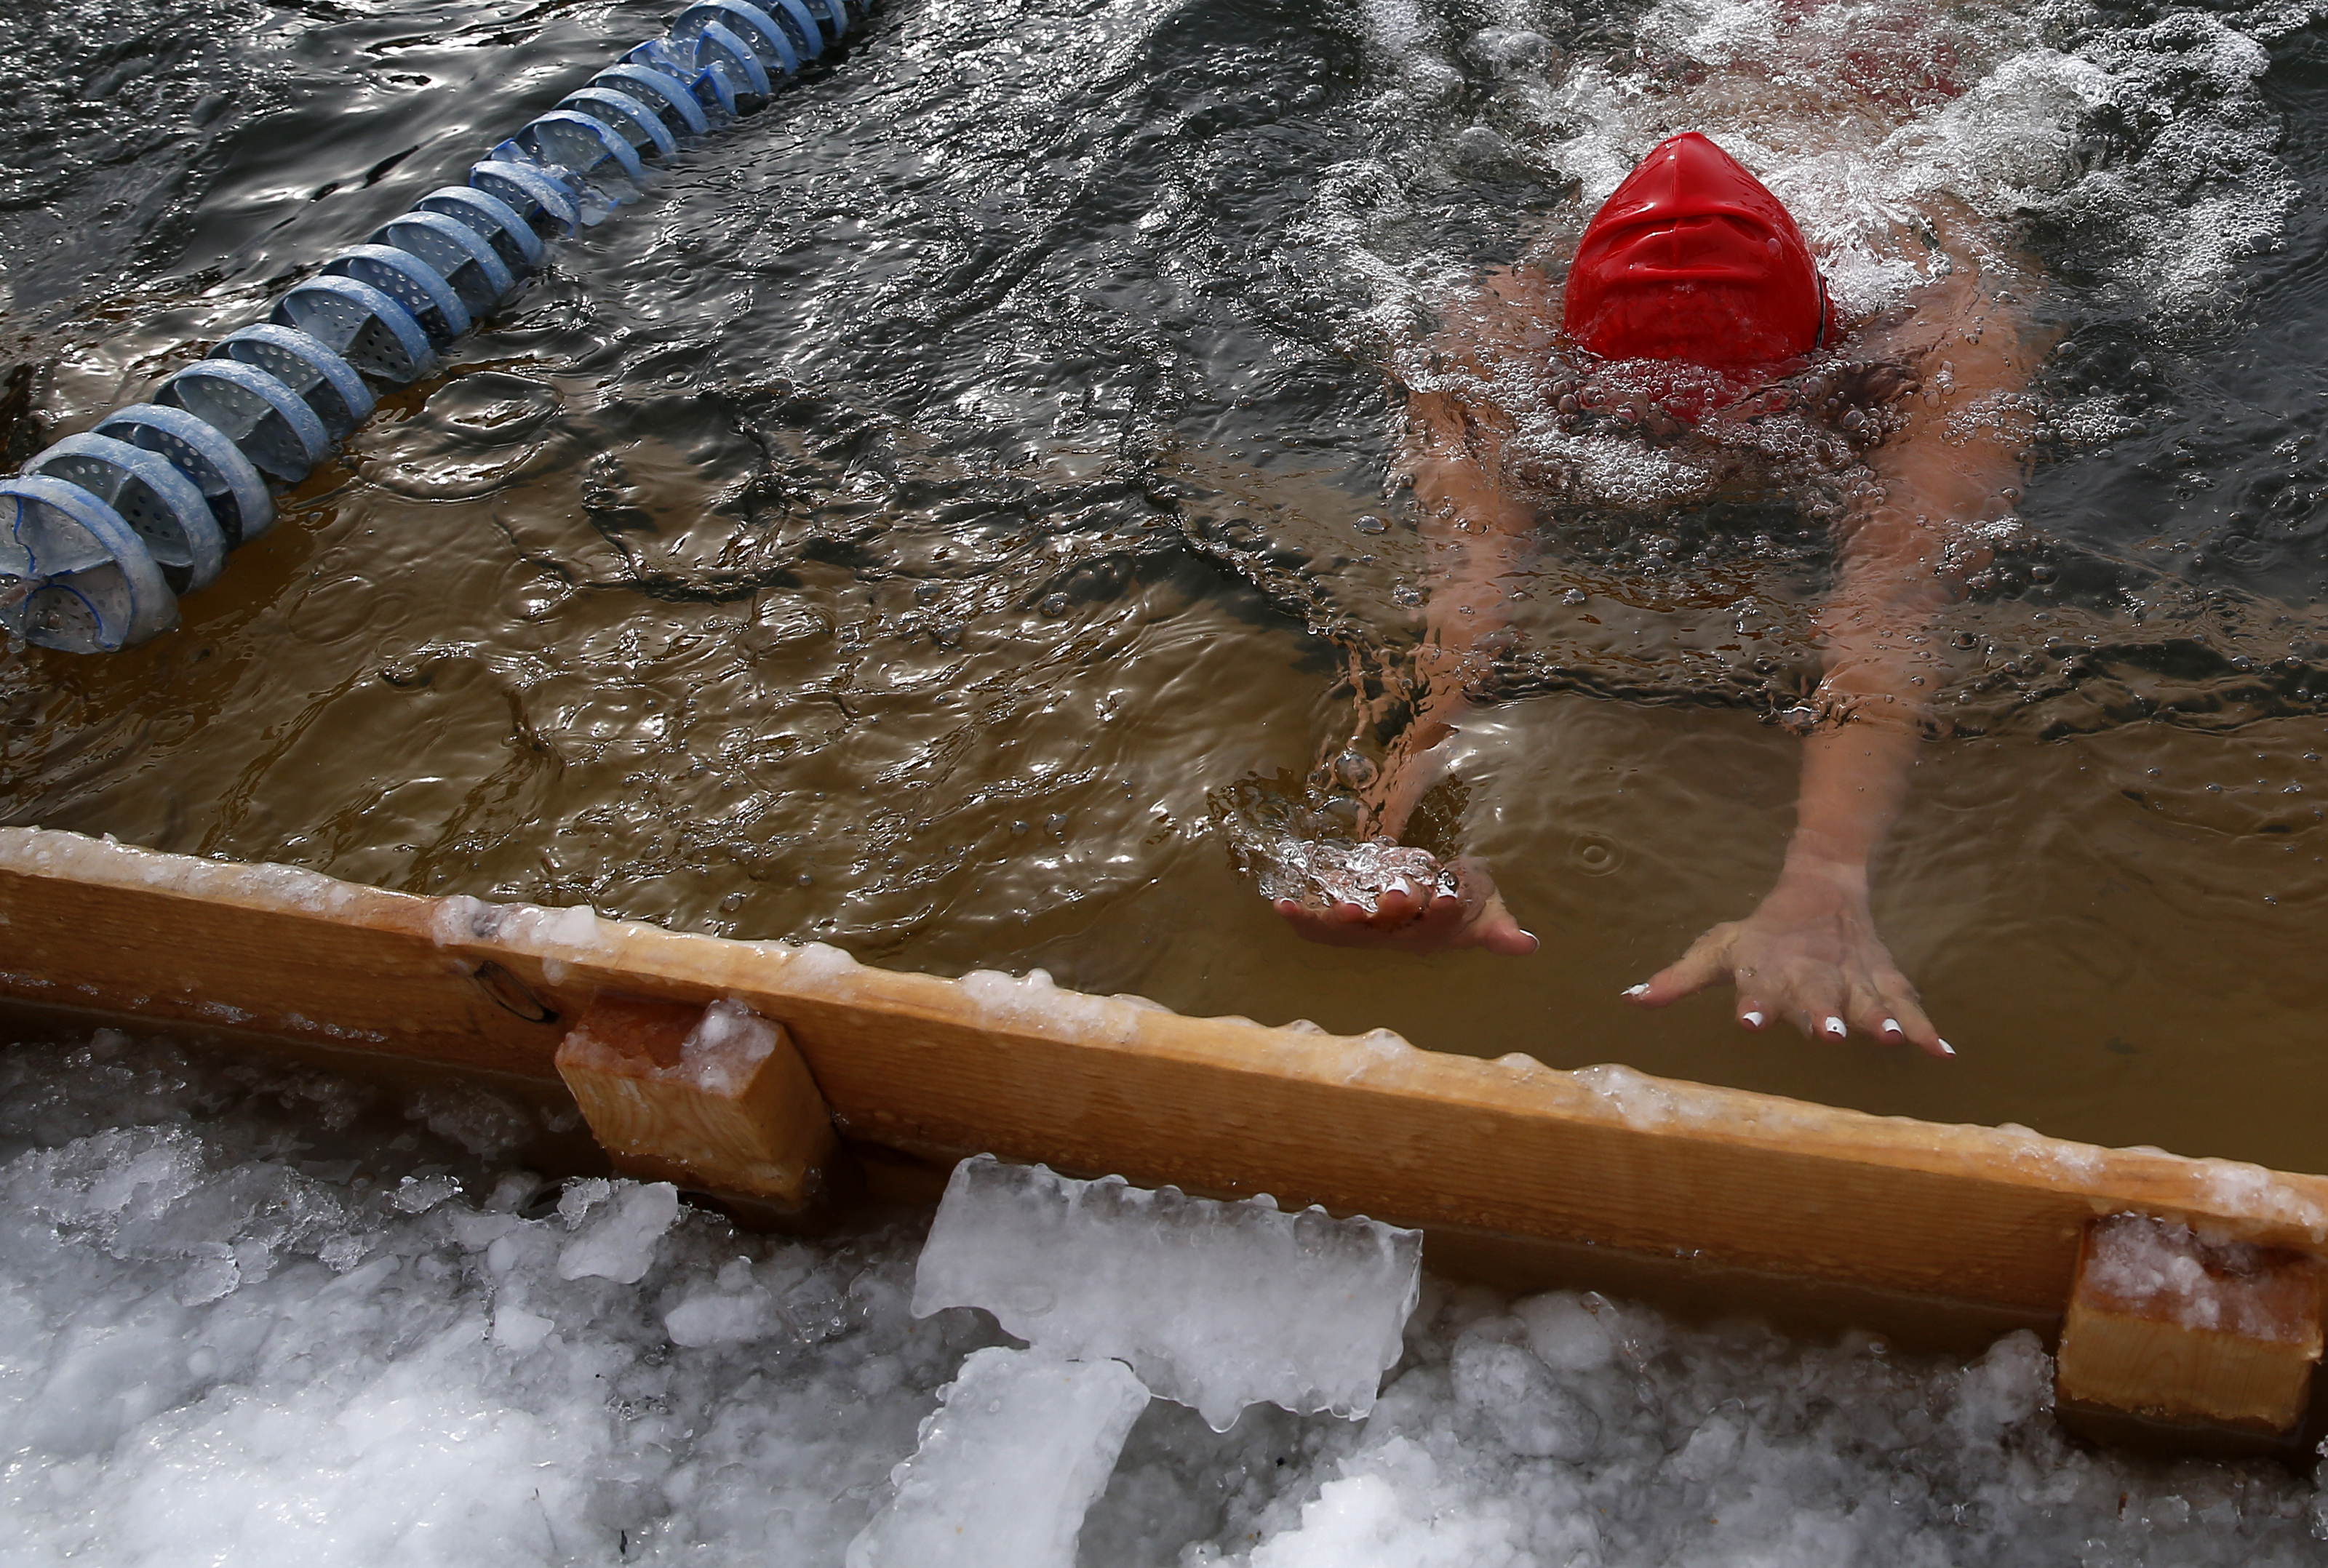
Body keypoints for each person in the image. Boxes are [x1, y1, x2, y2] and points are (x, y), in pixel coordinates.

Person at [1272, 131, 2043, 1060]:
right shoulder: (1489, 341)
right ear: (1573, 367)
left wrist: (1824, 882)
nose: (1687, 445)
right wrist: (1373, 844)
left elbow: (1887, 610)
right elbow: (1468, 589)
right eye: (1632, 416)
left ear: (1818, 356)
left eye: (1744, 413)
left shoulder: (1944, 343)